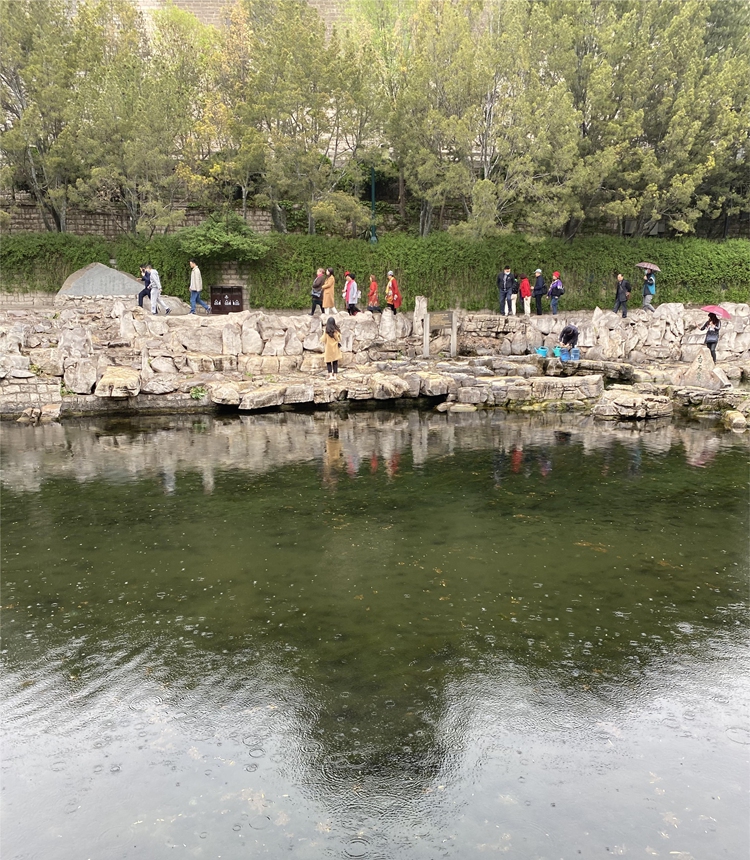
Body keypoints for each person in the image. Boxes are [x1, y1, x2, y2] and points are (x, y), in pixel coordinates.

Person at [320, 316, 342, 380]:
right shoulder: (336, 331)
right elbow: (339, 339)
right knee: (335, 362)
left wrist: (320, 339)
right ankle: (335, 376)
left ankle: (330, 375)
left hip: (328, 349)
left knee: (328, 362)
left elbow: (323, 339)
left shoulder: (326, 331)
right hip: (335, 349)